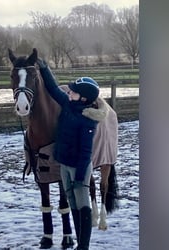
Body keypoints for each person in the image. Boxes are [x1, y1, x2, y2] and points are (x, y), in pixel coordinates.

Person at [37, 59, 101, 250]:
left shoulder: (88, 120)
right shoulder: (68, 104)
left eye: (73, 90)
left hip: (78, 167)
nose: (69, 92)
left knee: (82, 204)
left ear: (82, 98)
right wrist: (44, 68)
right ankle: (79, 241)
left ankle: (84, 245)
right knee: (72, 201)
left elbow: (86, 151)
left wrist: (81, 176)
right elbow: (54, 89)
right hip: (64, 163)